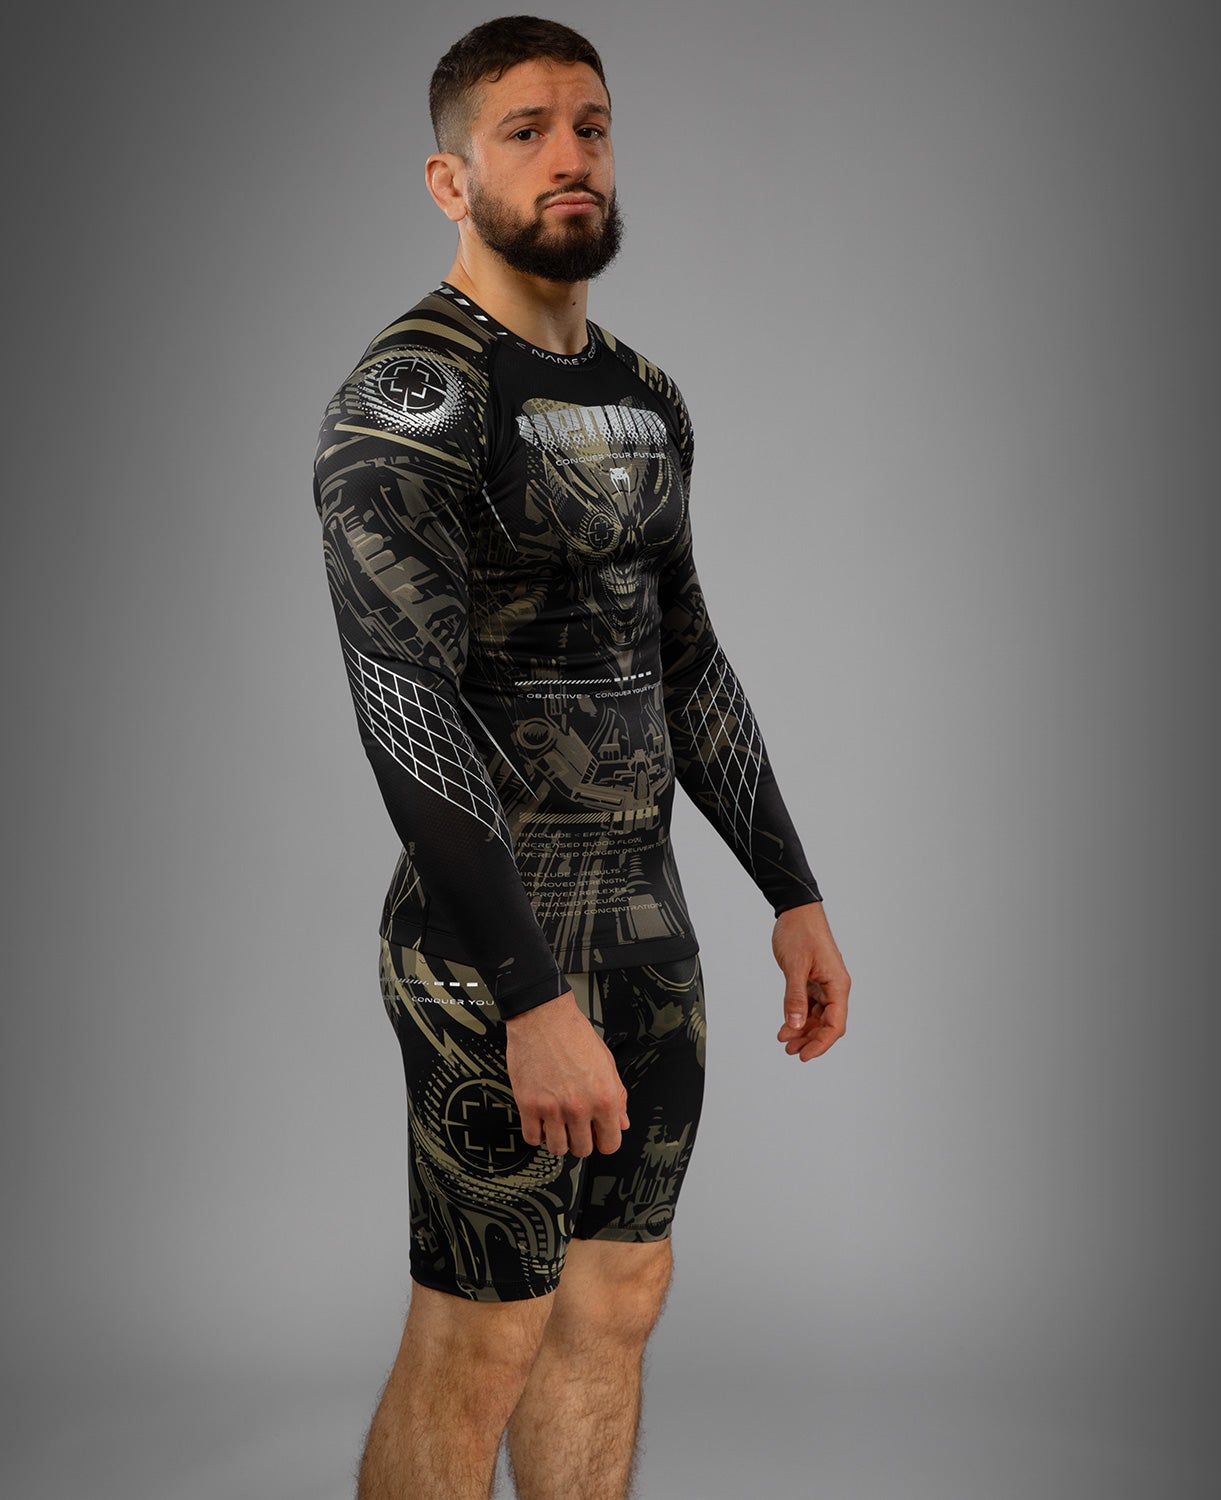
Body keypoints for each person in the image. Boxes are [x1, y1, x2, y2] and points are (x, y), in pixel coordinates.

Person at [312, 17, 850, 1498]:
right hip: (492, 949)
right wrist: (530, 995)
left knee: (617, 1302)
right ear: (450, 179)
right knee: (482, 1333)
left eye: (592, 127)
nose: (570, 157)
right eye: (527, 130)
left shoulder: (644, 392)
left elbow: (687, 657)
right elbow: (404, 708)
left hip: (647, 923)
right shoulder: (409, 402)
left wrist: (793, 892)